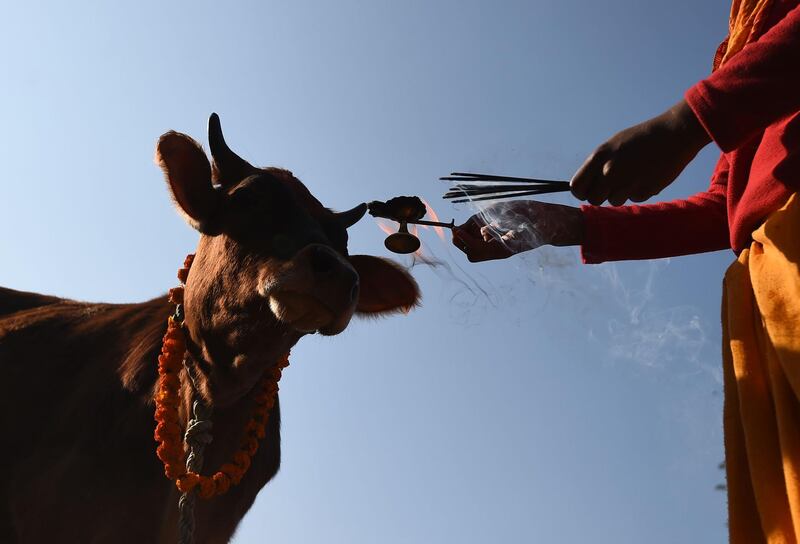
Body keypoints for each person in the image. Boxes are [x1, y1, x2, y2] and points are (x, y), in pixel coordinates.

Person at [452, 2, 800, 542]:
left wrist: (686, 122)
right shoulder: (740, 30)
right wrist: (565, 225)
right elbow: (722, 209)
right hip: (765, 280)